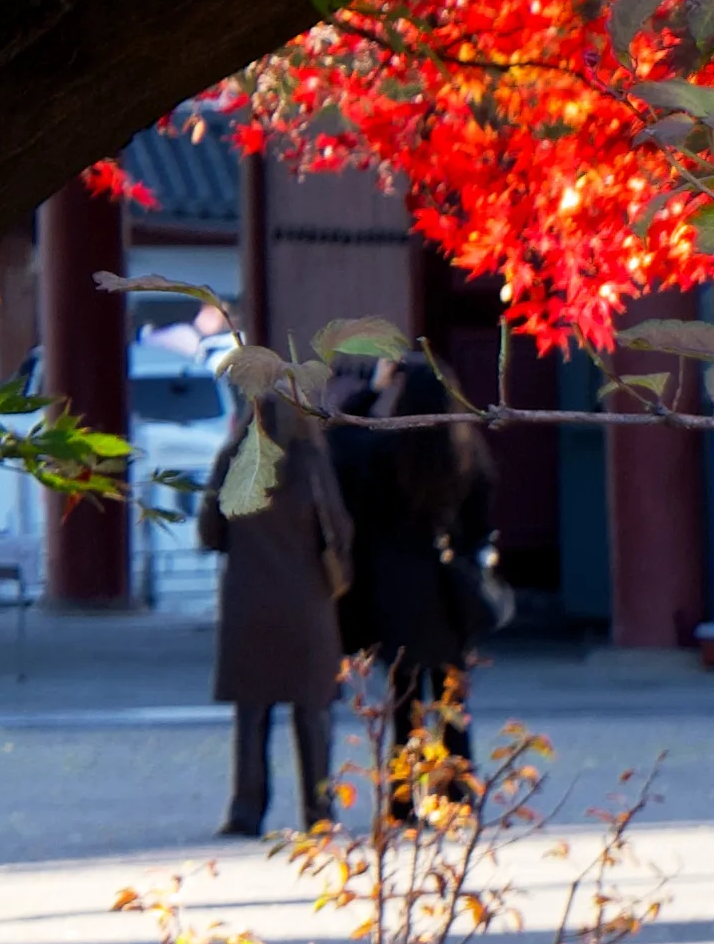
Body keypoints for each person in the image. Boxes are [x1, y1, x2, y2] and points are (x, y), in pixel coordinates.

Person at [330, 352, 498, 791]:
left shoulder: (384, 450)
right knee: (451, 697)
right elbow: (481, 527)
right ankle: (456, 793)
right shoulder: (468, 453)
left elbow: (337, 435)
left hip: (394, 586)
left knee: (404, 701)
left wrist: (373, 389)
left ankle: (403, 801)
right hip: (450, 589)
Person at [200, 369, 355, 839]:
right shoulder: (311, 463)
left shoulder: (234, 460)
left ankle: (246, 811)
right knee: (312, 713)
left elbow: (210, 531)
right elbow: (339, 529)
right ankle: (319, 811)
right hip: (307, 603)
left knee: (251, 712)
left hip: (248, 600)